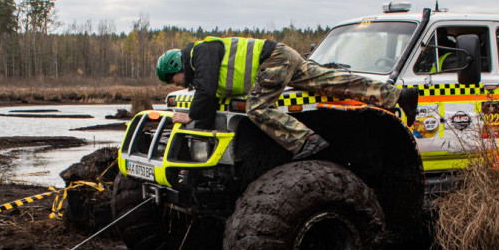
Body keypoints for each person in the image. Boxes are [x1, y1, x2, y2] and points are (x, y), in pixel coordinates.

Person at [156, 36, 418, 159]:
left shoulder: (201, 55)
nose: (178, 85)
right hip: (282, 55)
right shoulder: (202, 59)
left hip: (274, 60)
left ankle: (306, 141)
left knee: (256, 107)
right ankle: (398, 95)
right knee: (334, 82)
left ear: (176, 69)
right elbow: (210, 94)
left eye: (174, 81)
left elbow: (206, 91)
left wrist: (190, 116)